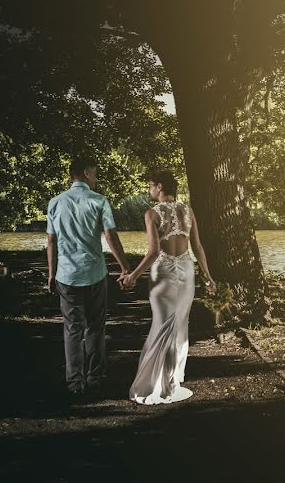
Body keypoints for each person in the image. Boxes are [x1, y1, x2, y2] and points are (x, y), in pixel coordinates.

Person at [119, 170, 217, 404]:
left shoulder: (152, 213)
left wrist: (133, 275)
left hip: (163, 272)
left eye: (150, 185)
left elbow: (154, 252)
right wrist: (208, 277)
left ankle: (157, 384)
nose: (148, 190)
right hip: (185, 270)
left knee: (162, 325)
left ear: (160, 187)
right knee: (180, 325)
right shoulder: (188, 211)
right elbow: (198, 247)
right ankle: (171, 382)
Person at [46, 157, 130, 398]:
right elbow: (110, 236)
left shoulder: (55, 203)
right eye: (95, 173)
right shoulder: (99, 201)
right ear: (85, 172)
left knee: (72, 328)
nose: (97, 177)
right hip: (94, 273)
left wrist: (51, 274)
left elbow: (51, 241)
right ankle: (95, 377)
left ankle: (74, 383)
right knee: (95, 326)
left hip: (66, 274)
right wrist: (125, 267)